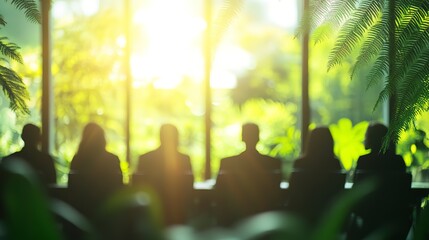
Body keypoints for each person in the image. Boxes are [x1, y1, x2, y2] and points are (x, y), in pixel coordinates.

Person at [216, 123, 282, 225]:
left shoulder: (227, 163)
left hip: (234, 216)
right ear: (258, 137)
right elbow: (277, 195)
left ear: (242, 137)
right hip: (265, 215)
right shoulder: (273, 163)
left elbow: (219, 192)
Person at [134, 123, 193, 225]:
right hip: (178, 211)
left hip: (150, 211)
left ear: (160, 137)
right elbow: (189, 187)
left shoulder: (145, 158)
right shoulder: (184, 159)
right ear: (177, 138)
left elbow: (137, 187)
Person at [288, 127, 344, 224]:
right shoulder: (334, 163)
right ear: (330, 142)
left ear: (310, 142)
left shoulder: (300, 163)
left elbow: (292, 191)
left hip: (303, 213)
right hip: (328, 214)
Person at [68, 123, 123, 219]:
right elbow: (119, 187)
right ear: (103, 139)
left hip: (82, 212)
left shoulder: (78, 160)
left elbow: (73, 187)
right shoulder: (113, 159)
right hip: (109, 212)